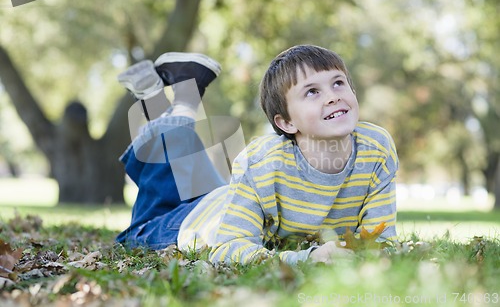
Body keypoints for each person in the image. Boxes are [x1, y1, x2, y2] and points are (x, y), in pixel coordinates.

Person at [116, 45, 398, 265]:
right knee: (138, 232)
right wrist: (306, 258)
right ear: (286, 123)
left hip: (230, 200)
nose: (333, 95)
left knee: (184, 175)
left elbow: (379, 240)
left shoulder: (376, 148)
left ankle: (166, 99)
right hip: (201, 223)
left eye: (338, 83)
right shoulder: (262, 163)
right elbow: (228, 246)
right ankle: (163, 100)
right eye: (312, 91)